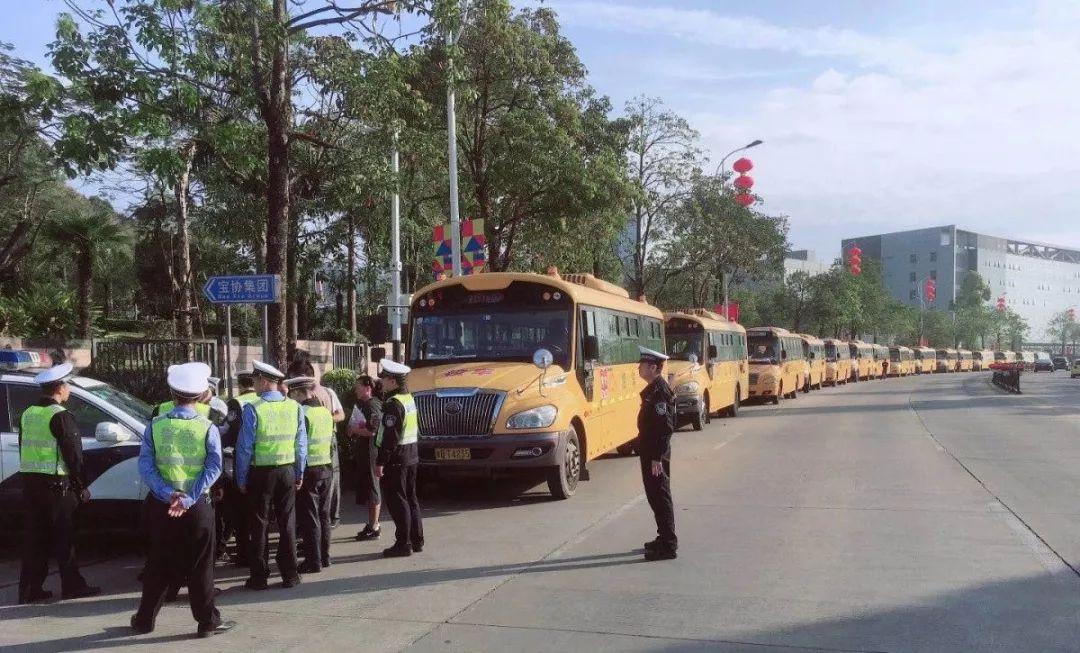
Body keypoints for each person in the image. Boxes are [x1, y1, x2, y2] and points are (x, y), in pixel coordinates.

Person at [130, 363, 235, 638]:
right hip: (197, 505)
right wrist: (189, 497)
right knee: (201, 567)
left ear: (171, 393)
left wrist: (168, 494)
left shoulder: (155, 425)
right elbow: (214, 467)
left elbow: (146, 466)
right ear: (201, 394)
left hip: (161, 504)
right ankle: (207, 622)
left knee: (157, 564)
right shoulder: (207, 427)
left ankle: (144, 620)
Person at [17, 361, 101, 604]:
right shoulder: (61, 416)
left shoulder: (28, 413)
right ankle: (72, 586)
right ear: (60, 388)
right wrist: (81, 485)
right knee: (65, 539)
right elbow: (73, 456)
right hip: (57, 487)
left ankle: (29, 589)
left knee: (35, 540)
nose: (70, 390)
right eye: (68, 386)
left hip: (32, 487)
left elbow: (24, 446)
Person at [235, 361, 307, 590]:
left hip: (261, 474)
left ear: (265, 382)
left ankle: (259, 577)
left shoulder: (253, 409)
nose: (254, 385)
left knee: (259, 525)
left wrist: (241, 478)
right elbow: (301, 445)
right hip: (286, 471)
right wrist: (299, 472)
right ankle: (290, 574)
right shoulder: (294, 407)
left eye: (256, 380)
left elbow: (245, 448)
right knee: (287, 523)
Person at [287, 351, 345, 527]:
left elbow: (340, 415)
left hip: (324, 441)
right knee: (326, 482)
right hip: (318, 442)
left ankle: (328, 518)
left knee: (329, 482)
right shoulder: (297, 396)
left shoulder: (327, 392)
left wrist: (324, 420)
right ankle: (321, 523)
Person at [284, 376, 334, 573]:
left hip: (310, 470)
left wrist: (298, 473)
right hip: (326, 468)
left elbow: (300, 447)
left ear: (297, 393)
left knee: (309, 517)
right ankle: (325, 557)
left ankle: (313, 561)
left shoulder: (302, 413)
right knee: (324, 515)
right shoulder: (325, 412)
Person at [374, 359, 423, 557]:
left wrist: (380, 462)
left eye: (384, 379)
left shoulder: (393, 404)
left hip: (397, 458)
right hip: (411, 455)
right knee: (411, 498)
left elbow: (390, 437)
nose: (382, 382)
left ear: (393, 381)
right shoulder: (408, 399)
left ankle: (403, 543)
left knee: (398, 501)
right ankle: (416, 539)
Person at [636, 346, 678, 561]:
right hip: (651, 452)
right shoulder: (654, 389)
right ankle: (663, 537)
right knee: (655, 496)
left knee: (660, 496)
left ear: (653, 367)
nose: (639, 368)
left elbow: (665, 427)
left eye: (642, 365)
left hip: (656, 455)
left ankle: (668, 544)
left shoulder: (660, 391)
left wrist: (656, 458)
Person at [221, 372, 257, 567]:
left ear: (241, 385)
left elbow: (230, 432)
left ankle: (244, 554)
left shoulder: (236, 403)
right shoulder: (262, 400)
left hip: (241, 462)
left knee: (241, 510)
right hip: (262, 463)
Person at [350, 375, 383, 542]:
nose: (356, 389)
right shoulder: (362, 405)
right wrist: (352, 429)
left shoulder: (373, 405)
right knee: (368, 488)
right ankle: (371, 523)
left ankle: (374, 526)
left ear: (367, 388)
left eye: (358, 386)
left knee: (373, 487)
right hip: (363, 452)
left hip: (371, 452)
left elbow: (373, 431)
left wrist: (355, 430)